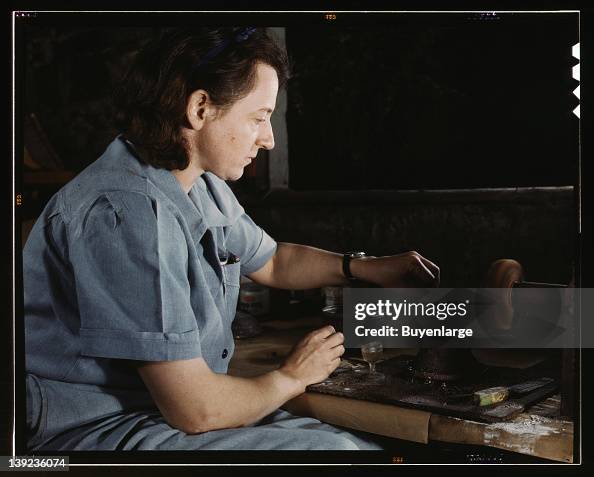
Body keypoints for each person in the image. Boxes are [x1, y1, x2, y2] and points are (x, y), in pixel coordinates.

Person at [23, 27, 440, 451]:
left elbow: (274, 261)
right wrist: (292, 376)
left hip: (160, 410)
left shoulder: (198, 184)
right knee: (336, 454)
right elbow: (197, 411)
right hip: (95, 428)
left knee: (359, 447)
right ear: (200, 108)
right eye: (259, 117)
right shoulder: (125, 212)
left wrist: (364, 266)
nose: (269, 137)